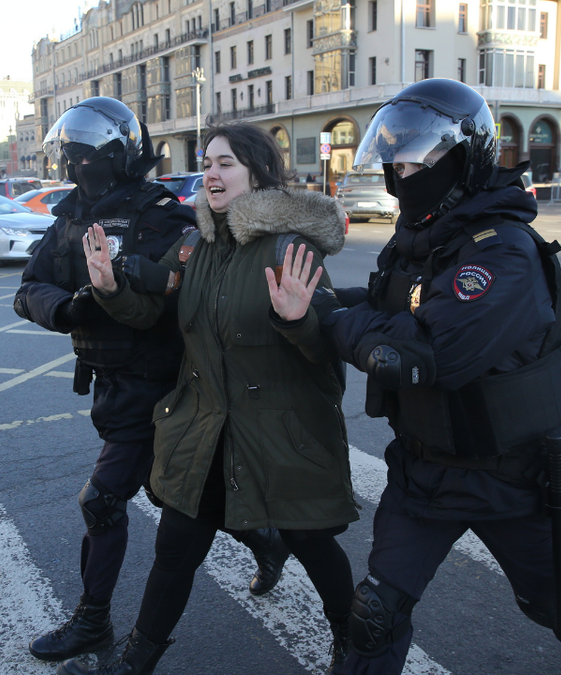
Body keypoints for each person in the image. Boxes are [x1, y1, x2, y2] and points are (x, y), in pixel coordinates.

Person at [288, 78, 561, 675]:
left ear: (463, 157)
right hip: (426, 472)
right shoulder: (421, 241)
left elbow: (427, 353)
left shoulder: (501, 252)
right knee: (376, 615)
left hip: (508, 477)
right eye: (396, 157)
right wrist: (308, 297)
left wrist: (329, 319)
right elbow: (382, 302)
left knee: (552, 602)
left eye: (417, 157)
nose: (401, 171)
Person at [60, 122, 358, 675]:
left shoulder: (288, 246)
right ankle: (134, 663)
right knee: (176, 549)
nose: (211, 174)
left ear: (257, 172)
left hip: (279, 435)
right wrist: (110, 288)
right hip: (207, 428)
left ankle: (350, 637)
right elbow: (157, 315)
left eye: (225, 163)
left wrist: (298, 320)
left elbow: (326, 348)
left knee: (310, 541)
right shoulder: (197, 243)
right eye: (207, 162)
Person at [15, 99, 291, 667]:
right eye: (72, 151)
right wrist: (65, 309)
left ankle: (94, 622)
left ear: (115, 155)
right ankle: (265, 538)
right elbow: (28, 288)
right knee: (179, 496)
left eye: (87, 151)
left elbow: (179, 293)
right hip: (111, 383)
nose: (77, 161)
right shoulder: (70, 215)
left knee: (103, 501)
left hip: (163, 384)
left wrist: (112, 292)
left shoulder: (159, 212)